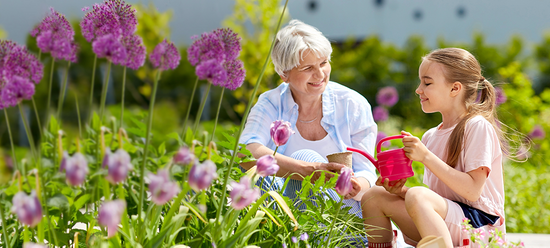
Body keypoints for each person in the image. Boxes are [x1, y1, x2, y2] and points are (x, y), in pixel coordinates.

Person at [239, 20, 408, 246]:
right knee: (289, 164)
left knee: (306, 162)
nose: (320, 74)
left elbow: (366, 168)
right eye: (308, 68)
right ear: (284, 74)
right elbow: (245, 152)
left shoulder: (352, 104)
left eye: (324, 63)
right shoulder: (270, 103)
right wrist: (308, 170)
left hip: (344, 217)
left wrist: (358, 184)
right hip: (288, 220)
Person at [361, 48, 510, 248]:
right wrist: (400, 190)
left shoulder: (476, 126)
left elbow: (472, 191)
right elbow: (437, 201)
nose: (418, 89)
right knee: (374, 196)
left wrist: (426, 157)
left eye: (427, 82)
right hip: (449, 223)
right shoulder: (431, 135)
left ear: (455, 89)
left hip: (480, 228)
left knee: (418, 195)